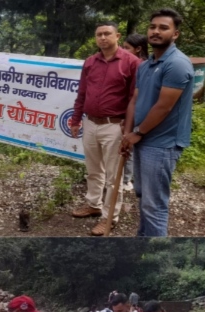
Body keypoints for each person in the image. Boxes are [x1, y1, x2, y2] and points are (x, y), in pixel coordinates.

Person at [121, 8, 194, 237]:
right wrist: (127, 133)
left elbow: (164, 106)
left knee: (154, 205)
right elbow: (135, 99)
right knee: (143, 196)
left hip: (162, 143)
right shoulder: (146, 65)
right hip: (142, 138)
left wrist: (138, 133)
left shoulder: (177, 64)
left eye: (163, 28)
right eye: (152, 27)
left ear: (175, 34)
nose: (156, 31)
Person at [70, 21, 141, 236]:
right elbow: (82, 93)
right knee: (93, 170)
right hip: (91, 123)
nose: (102, 38)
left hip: (115, 125)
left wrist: (128, 129)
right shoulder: (91, 62)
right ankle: (93, 204)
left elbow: (135, 98)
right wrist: (75, 119)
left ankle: (110, 217)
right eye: (99, 34)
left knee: (114, 176)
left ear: (117, 36)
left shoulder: (132, 62)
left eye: (107, 34)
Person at [122, 34, 149, 190]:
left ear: (138, 49)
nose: (123, 51)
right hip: (128, 112)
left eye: (127, 48)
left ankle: (126, 179)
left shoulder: (142, 66)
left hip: (137, 114)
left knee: (129, 146)